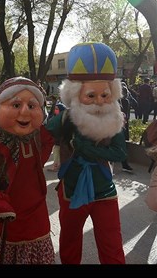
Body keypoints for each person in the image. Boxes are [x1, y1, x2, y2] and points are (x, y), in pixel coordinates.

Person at [46, 42, 127, 264]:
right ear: (75, 94)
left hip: (104, 189)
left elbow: (120, 153)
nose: (99, 102)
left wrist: (86, 148)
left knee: (111, 242)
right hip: (71, 189)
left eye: (104, 95)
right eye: (91, 96)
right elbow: (43, 133)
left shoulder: (115, 119)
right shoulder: (67, 118)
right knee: (70, 242)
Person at [0, 77, 55, 264]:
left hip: (37, 211)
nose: (25, 111)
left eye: (32, 106)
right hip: (8, 214)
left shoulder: (39, 133)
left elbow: (47, 145)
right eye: (16, 104)